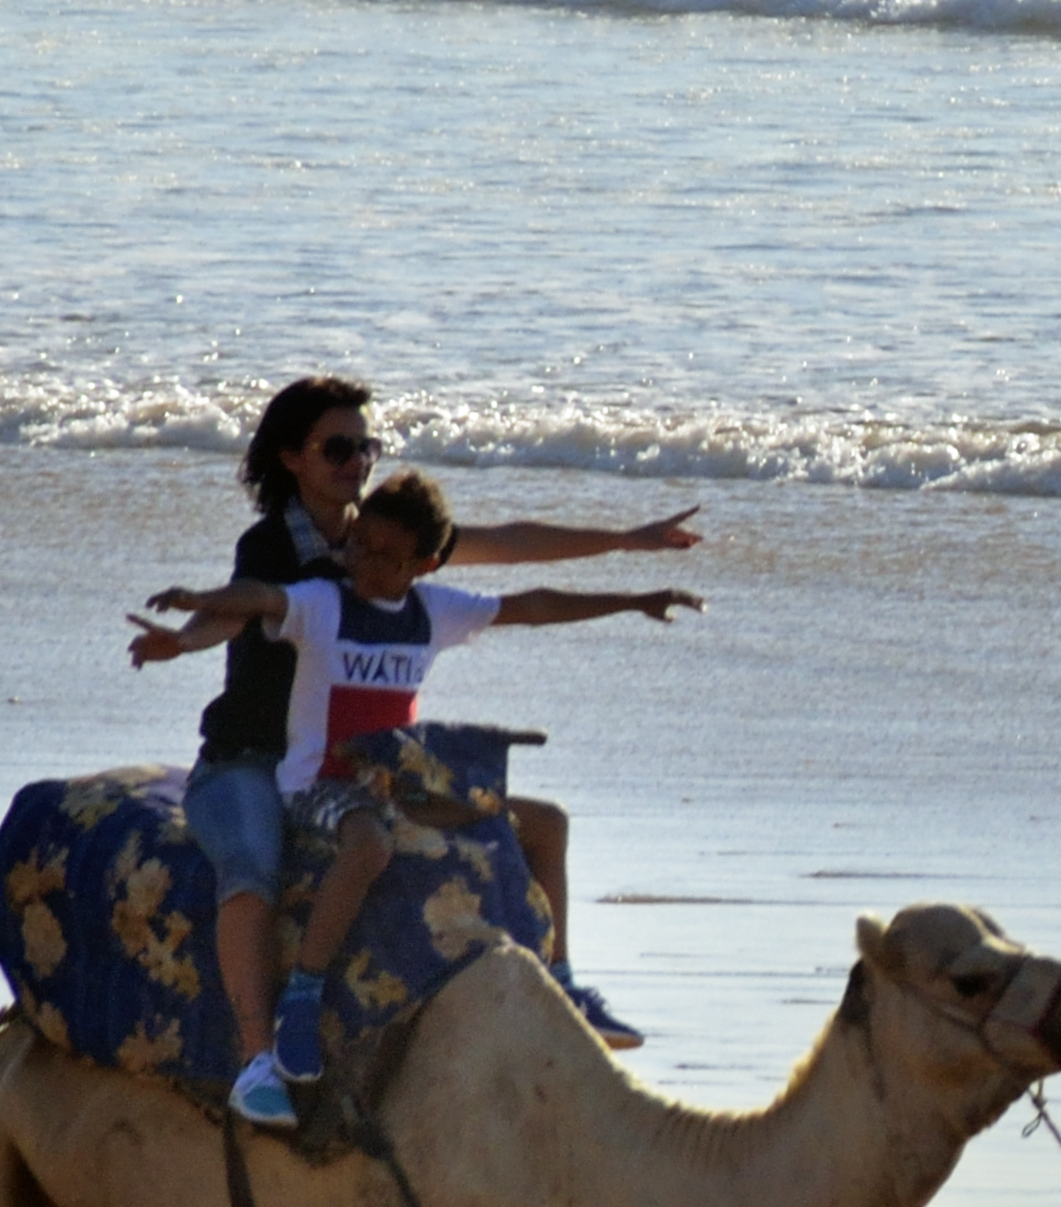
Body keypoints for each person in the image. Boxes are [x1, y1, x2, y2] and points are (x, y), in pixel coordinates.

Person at [155, 378, 697, 1074]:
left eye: (366, 445)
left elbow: (513, 554)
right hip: (255, 756)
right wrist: (186, 634)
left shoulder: (380, 539)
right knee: (253, 871)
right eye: (338, 447)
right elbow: (241, 607)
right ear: (292, 458)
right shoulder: (279, 550)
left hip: (370, 761)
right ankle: (264, 1049)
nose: (357, 460)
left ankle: (557, 981)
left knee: (532, 820)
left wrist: (627, 543)